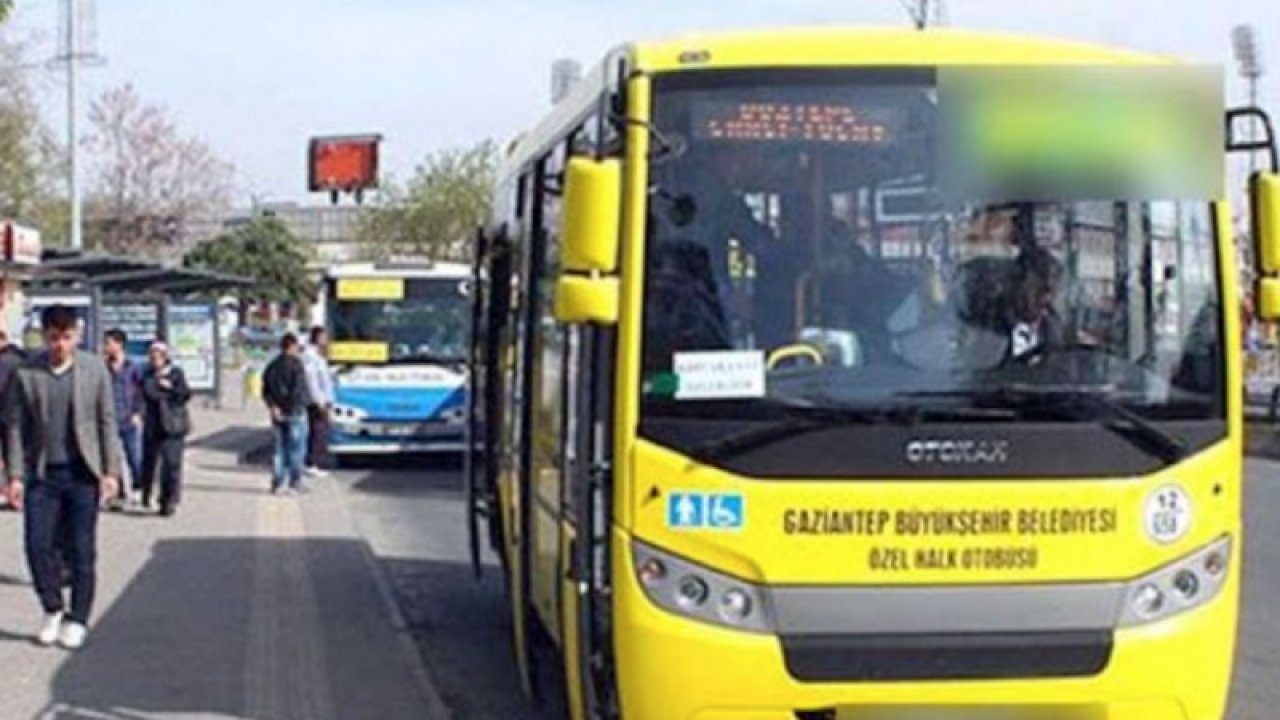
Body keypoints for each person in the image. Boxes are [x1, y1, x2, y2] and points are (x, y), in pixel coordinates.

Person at [3, 304, 121, 650]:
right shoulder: (27, 372)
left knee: (81, 549)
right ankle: (53, 607)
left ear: (78, 335)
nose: (60, 345)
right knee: (37, 546)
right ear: (44, 335)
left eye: (67, 338)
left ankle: (78, 618)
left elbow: (106, 422)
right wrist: (13, 475)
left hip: (82, 474)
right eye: (54, 338)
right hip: (42, 474)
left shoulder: (94, 370)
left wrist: (110, 471)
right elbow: (14, 427)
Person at [140, 342, 191, 516]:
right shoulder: (146, 375)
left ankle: (169, 500)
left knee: (172, 464)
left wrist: (171, 388)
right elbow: (149, 393)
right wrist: (162, 390)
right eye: (152, 357)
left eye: (159, 356)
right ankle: (148, 495)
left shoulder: (176, 374)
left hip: (173, 425)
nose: (155, 360)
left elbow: (184, 395)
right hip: (153, 426)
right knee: (150, 464)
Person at [262, 333, 310, 494]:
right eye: (297, 347)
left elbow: (266, 390)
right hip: (295, 412)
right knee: (296, 448)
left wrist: (274, 407)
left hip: (277, 413)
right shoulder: (296, 365)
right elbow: (297, 390)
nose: (298, 350)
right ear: (292, 346)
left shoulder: (272, 366)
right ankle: (294, 482)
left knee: (279, 449)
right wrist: (290, 408)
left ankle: (277, 482)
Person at [103, 329, 144, 512]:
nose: (106, 347)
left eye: (109, 343)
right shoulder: (102, 367)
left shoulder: (132, 367)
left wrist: (138, 412)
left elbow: (140, 392)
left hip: (128, 418)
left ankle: (138, 488)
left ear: (119, 344)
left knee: (134, 456)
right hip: (108, 419)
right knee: (112, 458)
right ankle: (116, 493)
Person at [301, 326, 334, 478]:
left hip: (322, 400)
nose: (327, 340)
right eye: (324, 337)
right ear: (318, 338)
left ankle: (314, 462)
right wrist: (320, 402)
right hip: (316, 402)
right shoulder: (310, 356)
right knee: (318, 433)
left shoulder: (318, 356)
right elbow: (312, 381)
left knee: (320, 432)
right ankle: (312, 463)